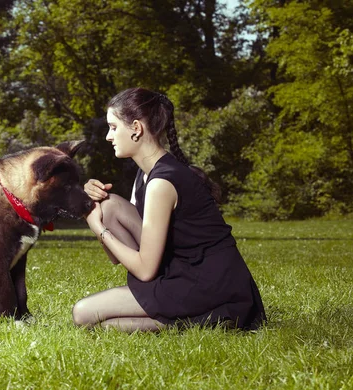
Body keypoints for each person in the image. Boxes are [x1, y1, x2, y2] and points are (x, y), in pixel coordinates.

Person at [72, 87, 266, 332]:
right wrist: (93, 203)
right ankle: (191, 318)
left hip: (209, 284)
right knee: (108, 203)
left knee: (84, 314)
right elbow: (116, 257)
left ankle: (209, 317)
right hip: (180, 271)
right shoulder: (146, 177)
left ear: (136, 128)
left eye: (113, 127)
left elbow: (144, 269)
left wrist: (97, 227)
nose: (108, 137)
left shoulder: (162, 183)